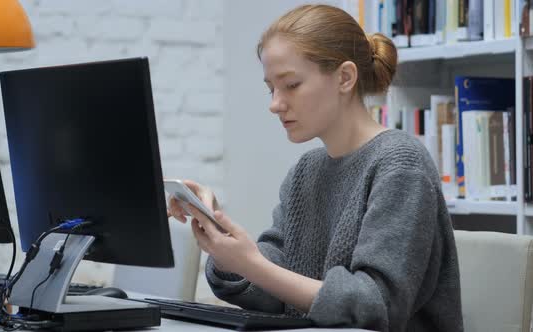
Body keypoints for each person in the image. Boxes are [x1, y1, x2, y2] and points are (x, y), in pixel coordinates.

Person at [167, 4, 463, 332]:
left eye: (291, 84)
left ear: (345, 78)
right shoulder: (306, 171)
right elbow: (273, 291)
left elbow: (375, 306)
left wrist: (250, 263)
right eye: (271, 88)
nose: (274, 104)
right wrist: (221, 239)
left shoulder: (401, 165)